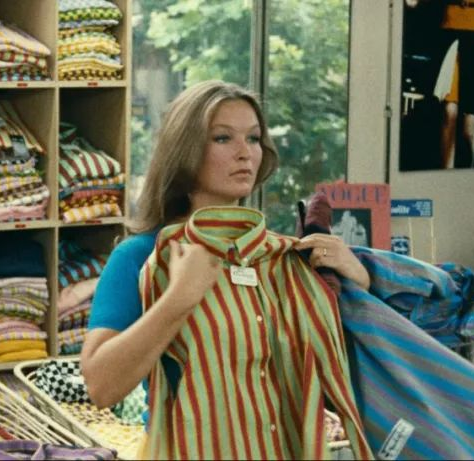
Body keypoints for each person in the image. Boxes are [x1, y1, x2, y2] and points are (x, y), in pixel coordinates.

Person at [80, 81, 373, 459]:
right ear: (185, 149)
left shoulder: (278, 259)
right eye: (222, 138)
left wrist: (358, 284)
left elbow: (335, 370)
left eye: (253, 138)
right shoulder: (141, 257)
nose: (244, 153)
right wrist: (178, 300)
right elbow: (101, 386)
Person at [407, 0, 474, 168]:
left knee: (468, 129)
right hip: (451, 27)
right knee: (449, 110)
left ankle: (469, 172)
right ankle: (446, 172)